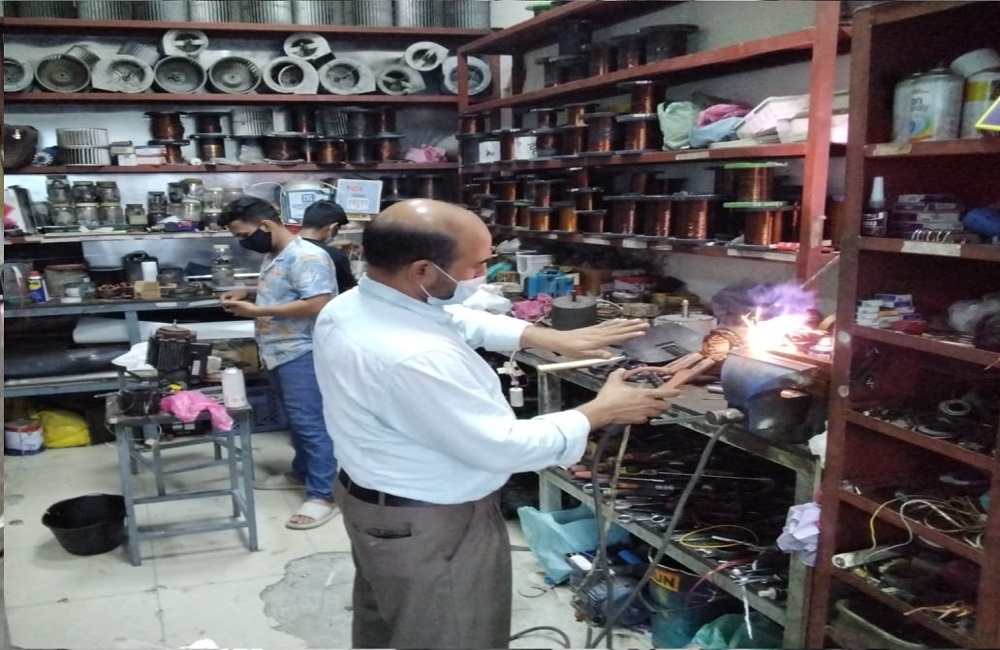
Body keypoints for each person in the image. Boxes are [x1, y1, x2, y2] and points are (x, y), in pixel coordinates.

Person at [312, 199, 679, 649]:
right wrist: (599, 411)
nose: (482, 275)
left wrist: (544, 336)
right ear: (422, 270)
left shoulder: (353, 304)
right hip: (429, 521)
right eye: (477, 266)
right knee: (455, 636)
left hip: (373, 502)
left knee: (391, 624)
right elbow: (503, 447)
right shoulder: (415, 357)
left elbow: (454, 317)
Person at [217, 196, 339, 531]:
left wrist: (258, 311)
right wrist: (248, 293)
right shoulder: (277, 254)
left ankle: (325, 494)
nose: (243, 242)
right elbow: (286, 291)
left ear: (266, 225)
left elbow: (318, 303)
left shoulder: (308, 256)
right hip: (278, 350)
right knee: (296, 421)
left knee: (311, 423)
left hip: (303, 351)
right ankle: (302, 472)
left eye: (244, 235)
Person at [299, 200, 358, 292]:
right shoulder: (335, 256)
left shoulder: (286, 246)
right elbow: (351, 288)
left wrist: (330, 246)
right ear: (334, 227)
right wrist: (333, 251)